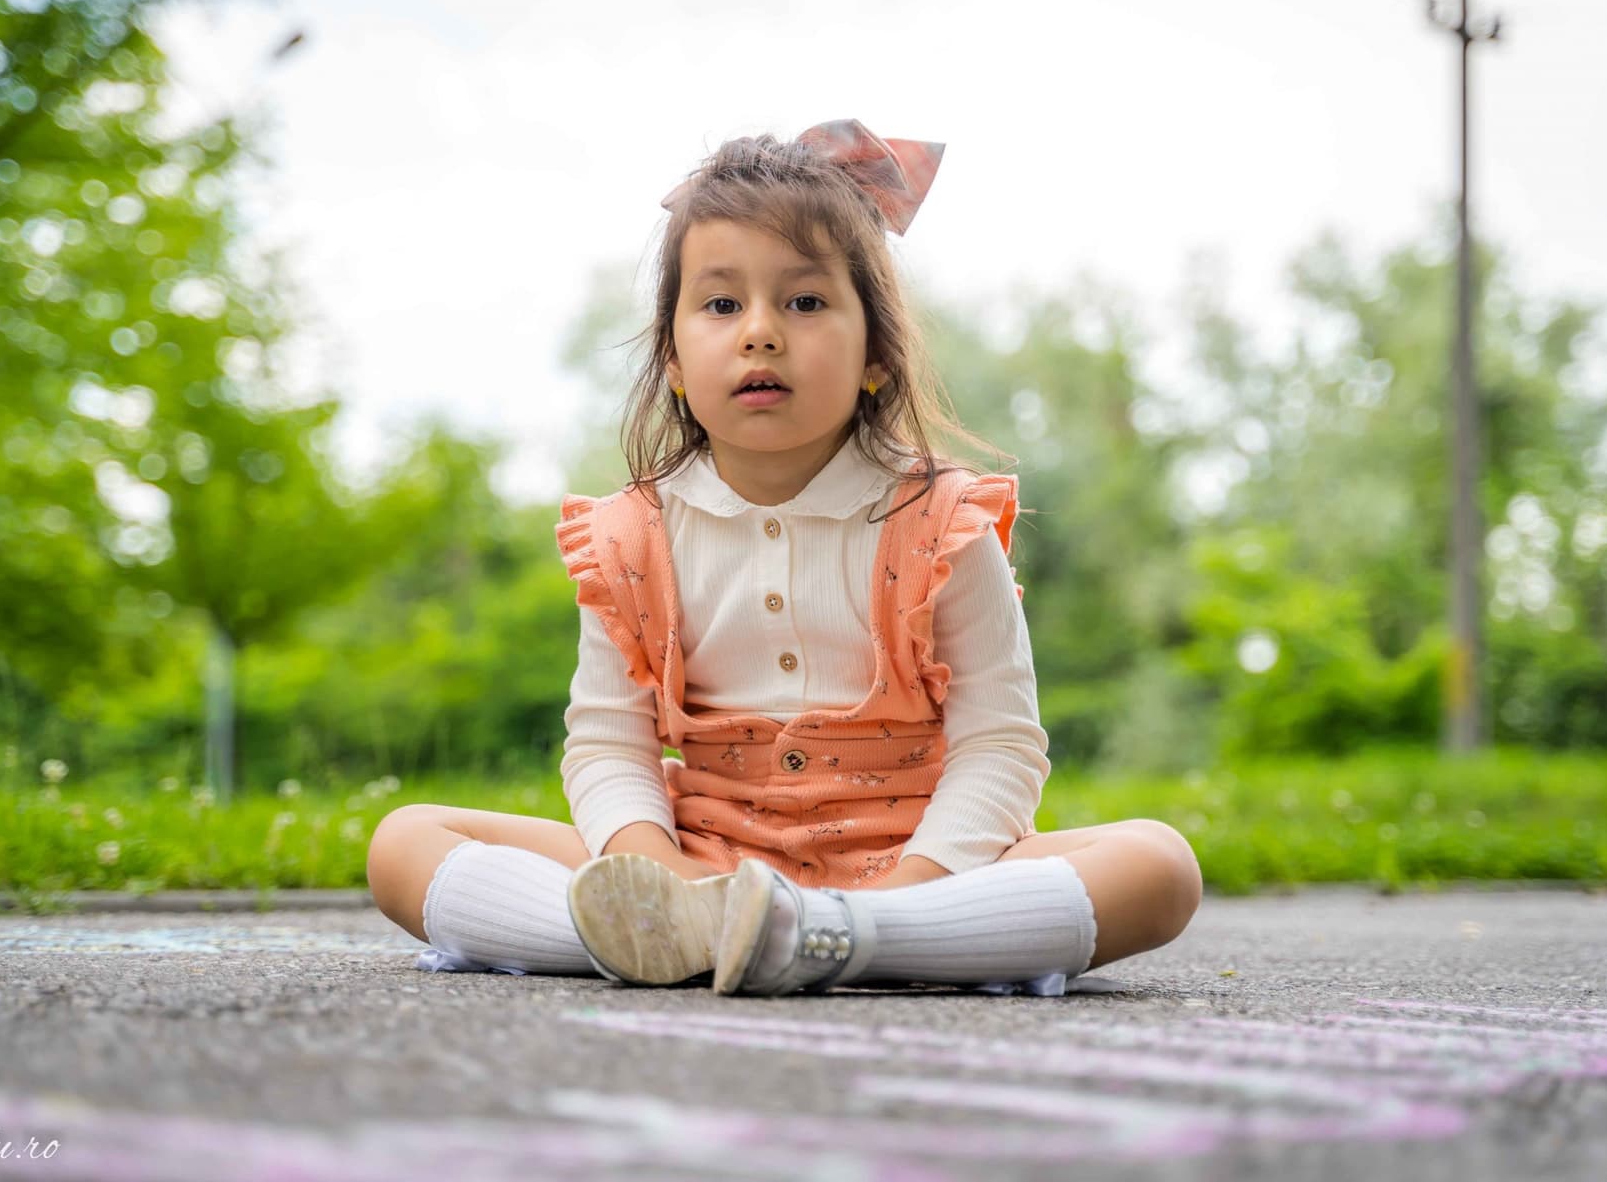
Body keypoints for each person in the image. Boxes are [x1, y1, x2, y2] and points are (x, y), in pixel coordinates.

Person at [367, 118, 1202, 997]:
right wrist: (661, 876)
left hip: (917, 868)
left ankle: (855, 936)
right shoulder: (631, 538)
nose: (760, 332)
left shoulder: (940, 524)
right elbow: (610, 744)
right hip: (705, 861)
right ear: (673, 359)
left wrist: (914, 886)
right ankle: (681, 934)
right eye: (722, 305)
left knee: (1157, 865)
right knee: (406, 842)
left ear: (876, 354)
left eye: (804, 303)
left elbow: (998, 744)